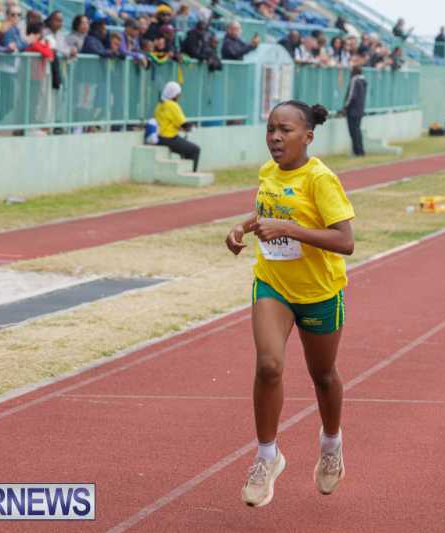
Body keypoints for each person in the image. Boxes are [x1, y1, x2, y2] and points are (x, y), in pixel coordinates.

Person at [225, 100, 354, 508]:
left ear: (308, 137)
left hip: (319, 292)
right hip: (273, 284)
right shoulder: (268, 172)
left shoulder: (321, 180)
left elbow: (345, 241)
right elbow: (268, 209)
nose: (276, 138)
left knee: (323, 375)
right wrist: (242, 225)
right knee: (268, 365)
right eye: (270, 130)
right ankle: (267, 457)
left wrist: (288, 229)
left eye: (285, 130)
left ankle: (331, 443)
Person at [154, 81, 201, 172]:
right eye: (178, 94)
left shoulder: (159, 105)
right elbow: (184, 124)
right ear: (174, 95)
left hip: (159, 137)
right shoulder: (173, 105)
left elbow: (168, 121)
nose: (179, 96)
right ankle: (191, 173)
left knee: (187, 148)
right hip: (169, 138)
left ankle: (186, 170)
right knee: (195, 150)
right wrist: (191, 126)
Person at [343, 65, 366, 156]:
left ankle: (356, 151)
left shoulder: (354, 80)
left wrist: (345, 107)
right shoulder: (363, 81)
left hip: (352, 110)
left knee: (353, 131)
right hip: (360, 109)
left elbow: (351, 96)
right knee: (357, 130)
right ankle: (360, 151)